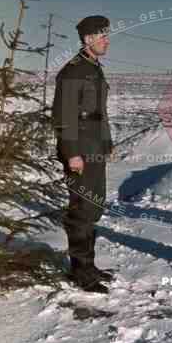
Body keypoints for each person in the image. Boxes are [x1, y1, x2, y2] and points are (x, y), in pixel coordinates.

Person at [52, 15, 114, 294]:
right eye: (103, 36)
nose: (107, 41)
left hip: (94, 147)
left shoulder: (93, 67)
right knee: (81, 210)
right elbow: (64, 116)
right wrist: (71, 153)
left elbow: (99, 112)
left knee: (94, 206)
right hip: (80, 150)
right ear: (88, 39)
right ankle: (80, 272)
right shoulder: (74, 71)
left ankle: (89, 266)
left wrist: (106, 142)